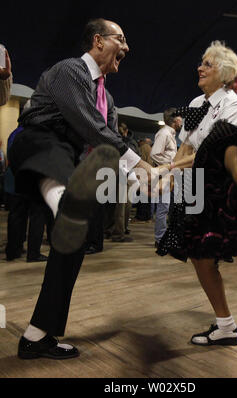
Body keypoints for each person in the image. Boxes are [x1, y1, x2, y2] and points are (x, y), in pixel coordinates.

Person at [8, 18, 156, 360]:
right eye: (121, 38)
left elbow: (108, 143)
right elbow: (90, 127)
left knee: (71, 243)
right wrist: (141, 164)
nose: (128, 47)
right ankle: (64, 204)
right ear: (98, 42)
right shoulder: (71, 70)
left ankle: (36, 335)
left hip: (65, 159)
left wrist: (141, 182)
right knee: (66, 187)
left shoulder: (108, 96)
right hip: (37, 145)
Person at [156, 41, 237, 346]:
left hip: (218, 190)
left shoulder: (232, 104)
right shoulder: (195, 103)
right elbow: (187, 146)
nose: (199, 68)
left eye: (207, 64)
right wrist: (174, 174)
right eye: (201, 63)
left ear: (225, 73)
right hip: (195, 187)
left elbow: (215, 152)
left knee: (204, 255)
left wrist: (165, 170)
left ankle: (226, 325)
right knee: (198, 256)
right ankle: (226, 325)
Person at [150, 108, 182, 247]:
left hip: (171, 175)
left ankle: (167, 236)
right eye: (180, 117)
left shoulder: (170, 134)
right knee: (164, 207)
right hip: (166, 175)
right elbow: (154, 154)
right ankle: (160, 239)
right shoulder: (164, 133)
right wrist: (170, 165)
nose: (182, 120)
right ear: (175, 120)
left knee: (171, 207)